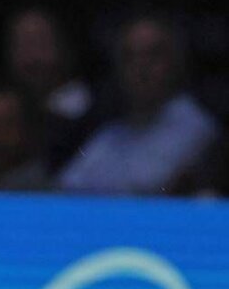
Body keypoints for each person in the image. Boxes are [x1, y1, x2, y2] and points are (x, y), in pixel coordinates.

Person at [58, 14, 222, 195]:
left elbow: (149, 185)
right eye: (130, 56)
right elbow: (66, 186)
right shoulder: (112, 132)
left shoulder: (195, 126)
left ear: (176, 62)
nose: (141, 66)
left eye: (153, 54)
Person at [4, 6, 95, 171]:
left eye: (40, 44)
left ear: (64, 46)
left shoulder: (90, 112)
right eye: (22, 45)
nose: (32, 58)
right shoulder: (11, 111)